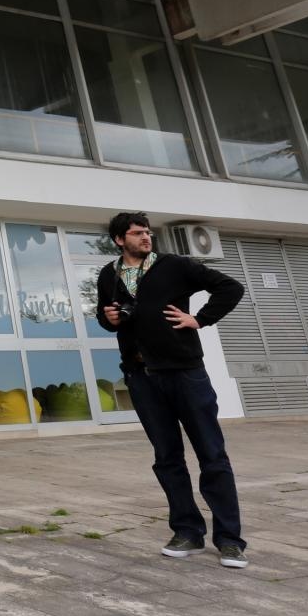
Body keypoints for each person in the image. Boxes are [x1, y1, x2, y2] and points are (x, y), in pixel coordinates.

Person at [97, 212, 248, 569]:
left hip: (185, 372)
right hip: (141, 376)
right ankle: (187, 532)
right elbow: (106, 316)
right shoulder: (108, 274)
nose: (145, 237)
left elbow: (230, 287)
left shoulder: (175, 265)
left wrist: (200, 319)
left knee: (212, 454)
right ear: (119, 239)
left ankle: (230, 540)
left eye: (147, 232)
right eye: (137, 233)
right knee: (166, 458)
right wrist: (108, 318)